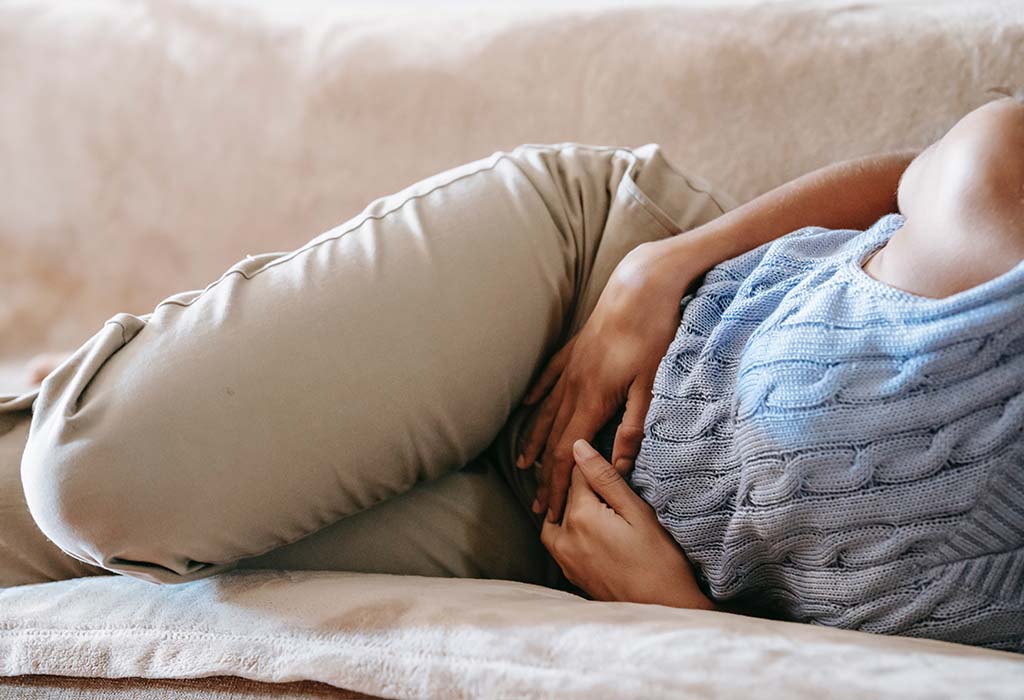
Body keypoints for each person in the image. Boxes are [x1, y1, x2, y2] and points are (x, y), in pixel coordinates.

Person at [2, 92, 1021, 651]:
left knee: (25, 540)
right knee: (92, 478)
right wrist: (661, 264)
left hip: (566, 548)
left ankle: (83, 380)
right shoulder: (1002, 200)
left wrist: (685, 624)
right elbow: (914, 170)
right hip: (583, 298)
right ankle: (102, 380)